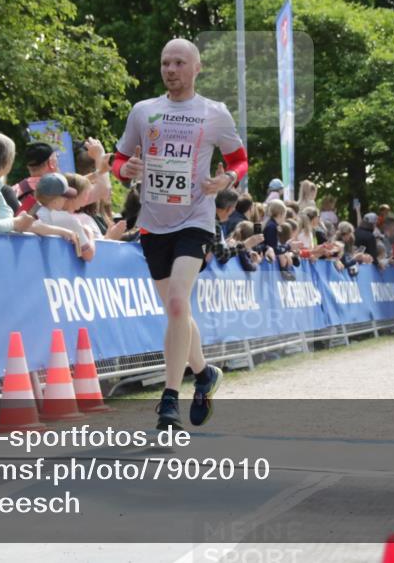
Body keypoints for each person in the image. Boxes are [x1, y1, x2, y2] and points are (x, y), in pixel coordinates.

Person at [112, 37, 247, 430]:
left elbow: (239, 159)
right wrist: (125, 170)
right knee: (177, 312)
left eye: (179, 63)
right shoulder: (144, 111)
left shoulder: (214, 113)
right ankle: (204, 373)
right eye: (165, 63)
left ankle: (170, 400)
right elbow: (119, 158)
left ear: (197, 67)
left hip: (196, 219)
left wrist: (226, 178)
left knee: (176, 303)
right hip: (153, 223)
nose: (170, 70)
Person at [30, 173, 89, 259]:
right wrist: (64, 232)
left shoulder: (36, 208)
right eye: (64, 197)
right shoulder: (42, 213)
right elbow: (33, 226)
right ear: (55, 201)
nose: (66, 200)